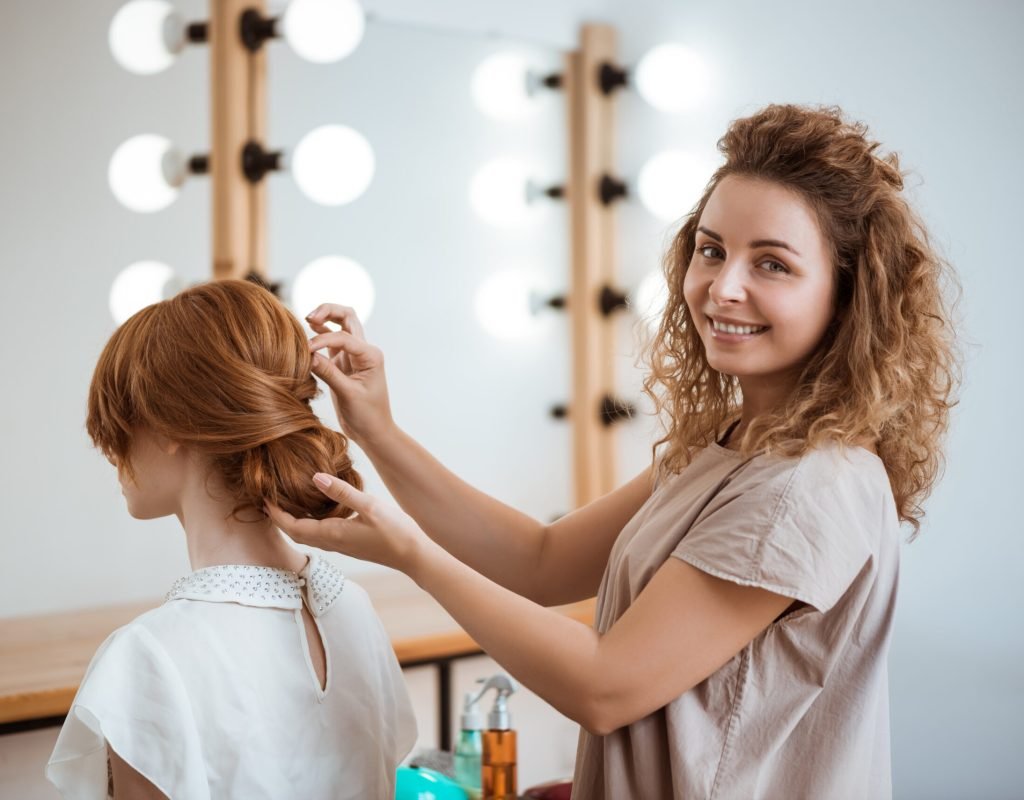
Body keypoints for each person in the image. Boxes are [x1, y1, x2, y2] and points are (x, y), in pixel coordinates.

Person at [268, 104, 961, 799]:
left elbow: (604, 686)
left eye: (772, 264)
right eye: (712, 249)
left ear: (848, 297)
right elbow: (538, 562)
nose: (722, 287)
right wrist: (377, 430)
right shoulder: (728, 441)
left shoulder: (807, 487)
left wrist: (409, 554)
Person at [47, 279, 417, 799]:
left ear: (167, 422)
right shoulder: (354, 608)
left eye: (119, 417)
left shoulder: (148, 656)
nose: (109, 447)